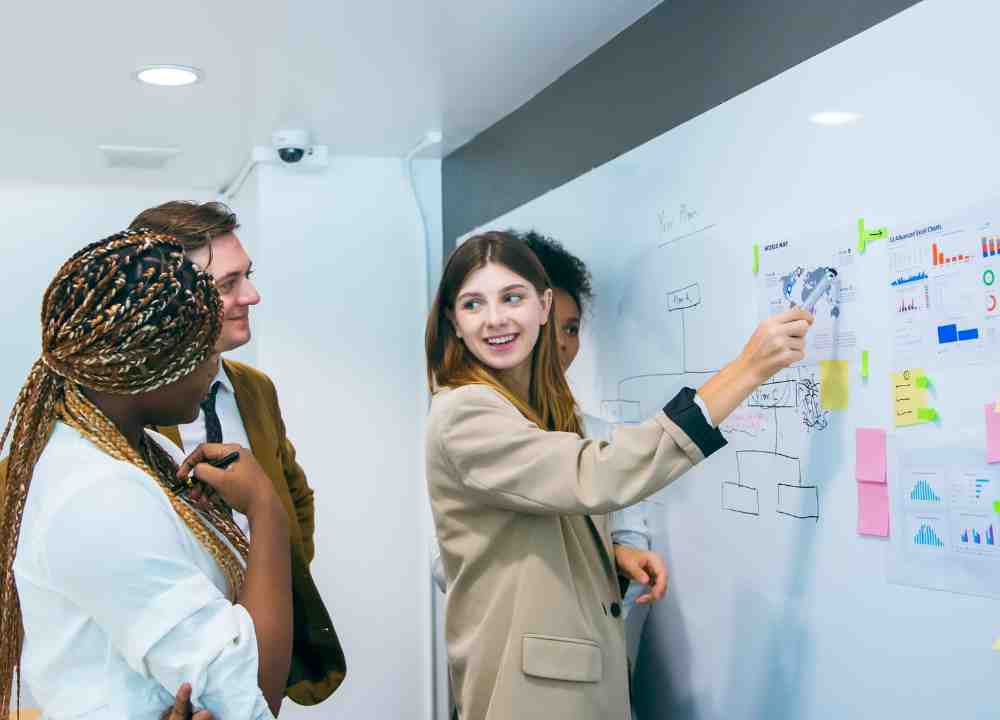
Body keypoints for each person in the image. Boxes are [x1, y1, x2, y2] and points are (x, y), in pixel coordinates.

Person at [424, 231, 813, 720]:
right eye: (473, 304)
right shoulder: (466, 412)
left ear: (542, 307)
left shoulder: (534, 409)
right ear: (454, 324)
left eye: (512, 298)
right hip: (530, 696)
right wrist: (746, 370)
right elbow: (597, 473)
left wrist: (609, 552)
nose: (496, 318)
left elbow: (529, 522)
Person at [0, 230, 292, 718]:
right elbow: (254, 696)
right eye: (202, 350)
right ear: (145, 363)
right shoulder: (98, 494)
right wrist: (267, 514)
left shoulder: (140, 447)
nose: (213, 366)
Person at [127, 201, 346, 705]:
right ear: (169, 296)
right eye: (228, 284)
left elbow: (294, 497)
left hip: (256, 657)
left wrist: (271, 597)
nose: (252, 295)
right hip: (163, 678)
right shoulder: (121, 409)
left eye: (246, 276)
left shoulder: (256, 389)